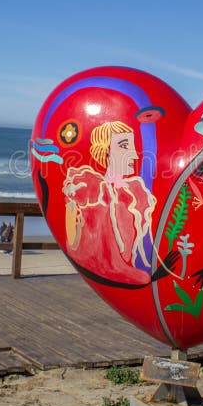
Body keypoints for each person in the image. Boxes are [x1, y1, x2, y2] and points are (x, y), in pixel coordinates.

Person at [62, 120, 156, 285]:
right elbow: (72, 239)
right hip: (107, 268)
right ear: (106, 151)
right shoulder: (92, 189)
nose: (134, 155)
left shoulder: (135, 190)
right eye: (125, 146)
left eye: (132, 147)